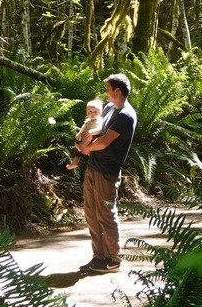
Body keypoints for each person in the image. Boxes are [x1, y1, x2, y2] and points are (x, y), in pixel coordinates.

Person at [77, 73, 137, 274]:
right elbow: (95, 127)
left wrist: (85, 149)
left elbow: (104, 142)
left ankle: (113, 259)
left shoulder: (126, 116)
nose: (106, 92)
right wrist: (83, 139)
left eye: (108, 89)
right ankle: (98, 257)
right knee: (91, 214)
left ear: (117, 91)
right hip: (93, 167)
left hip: (107, 172)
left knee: (106, 215)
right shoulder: (110, 108)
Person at [67, 99, 105, 170]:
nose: (92, 114)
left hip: (93, 138)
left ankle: (81, 147)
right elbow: (83, 128)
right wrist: (79, 133)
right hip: (84, 138)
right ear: (86, 112)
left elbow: (99, 129)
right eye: (90, 111)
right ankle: (75, 162)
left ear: (101, 112)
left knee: (88, 137)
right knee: (77, 145)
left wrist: (91, 132)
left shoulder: (99, 120)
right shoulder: (88, 120)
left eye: (95, 112)